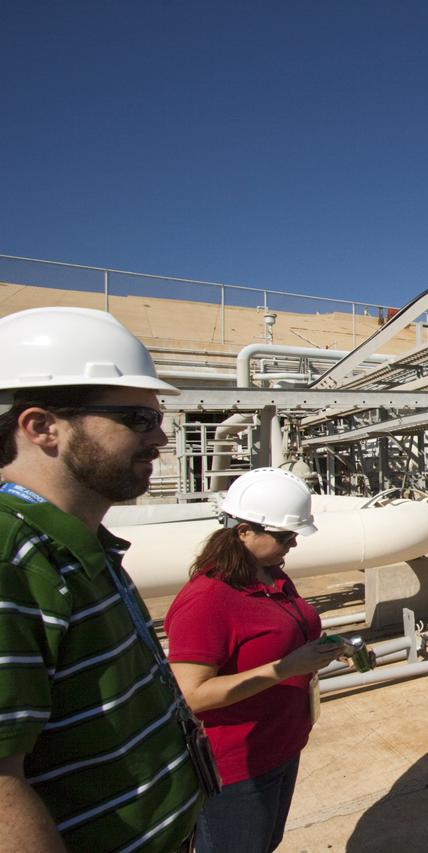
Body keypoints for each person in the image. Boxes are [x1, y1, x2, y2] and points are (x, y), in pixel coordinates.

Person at [0, 306, 204, 852]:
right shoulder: (11, 558)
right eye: (138, 419)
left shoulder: (75, 542)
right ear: (42, 427)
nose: (161, 437)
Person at [164, 467, 348, 852]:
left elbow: (287, 635)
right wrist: (284, 669)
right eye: (285, 536)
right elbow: (191, 696)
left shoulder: (271, 577)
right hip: (237, 768)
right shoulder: (208, 599)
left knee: (266, 842)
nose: (293, 544)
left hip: (282, 745)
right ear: (244, 530)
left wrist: (325, 649)